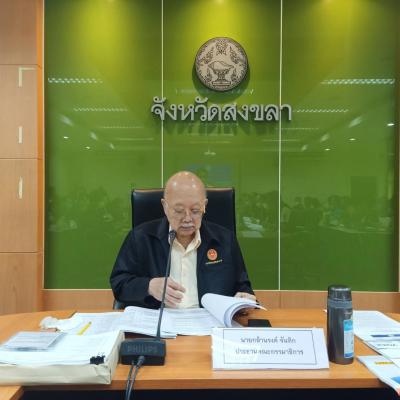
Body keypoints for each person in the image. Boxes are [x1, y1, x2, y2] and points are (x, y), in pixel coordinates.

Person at [110, 171, 255, 309]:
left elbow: (243, 287)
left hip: (209, 322)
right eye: (179, 211)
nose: (187, 218)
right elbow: (119, 284)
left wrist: (244, 299)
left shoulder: (225, 240)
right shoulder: (140, 238)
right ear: (165, 207)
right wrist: (148, 286)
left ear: (204, 206)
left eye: (195, 210)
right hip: (158, 321)